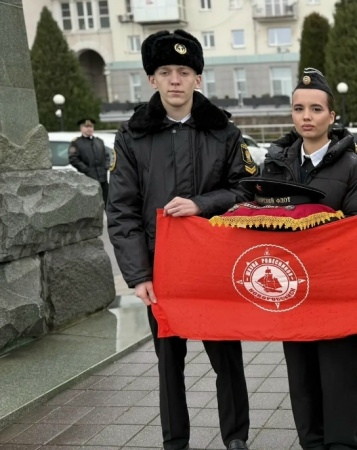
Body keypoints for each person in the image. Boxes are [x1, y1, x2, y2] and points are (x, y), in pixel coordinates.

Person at [106, 30, 255, 450]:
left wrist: (200, 204)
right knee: (169, 361)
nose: (175, 80)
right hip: (162, 271)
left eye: (184, 71)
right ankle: (175, 441)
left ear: (198, 79)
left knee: (227, 358)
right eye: (165, 71)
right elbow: (122, 210)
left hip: (214, 268)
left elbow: (246, 191)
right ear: (151, 79)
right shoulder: (133, 135)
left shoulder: (223, 131)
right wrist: (138, 275)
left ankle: (236, 437)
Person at [261, 67, 357, 450]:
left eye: (315, 109)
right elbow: (260, 220)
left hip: (336, 293)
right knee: (303, 382)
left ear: (331, 117)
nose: (306, 116)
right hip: (292, 294)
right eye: (298, 108)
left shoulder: (352, 167)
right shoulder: (274, 164)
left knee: (339, 382)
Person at [68, 118, 110, 203]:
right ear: (81, 128)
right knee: (92, 204)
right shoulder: (77, 143)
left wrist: (106, 166)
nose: (89, 129)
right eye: (86, 126)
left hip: (103, 179)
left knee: (107, 203)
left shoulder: (99, 141)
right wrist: (86, 170)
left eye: (91, 126)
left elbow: (106, 155)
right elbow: (73, 159)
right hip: (88, 180)